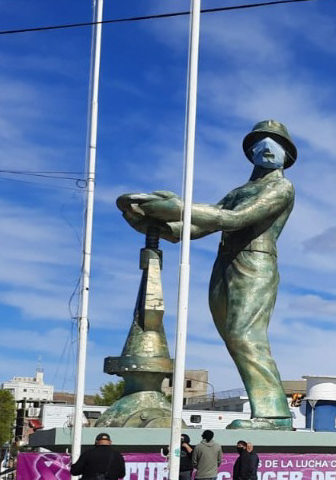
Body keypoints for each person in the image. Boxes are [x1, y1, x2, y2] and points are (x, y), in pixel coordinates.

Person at [118, 120, 298, 430]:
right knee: (233, 338)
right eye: (261, 141)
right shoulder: (239, 191)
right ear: (250, 151)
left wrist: (179, 207)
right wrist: (155, 223)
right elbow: (198, 227)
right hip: (225, 264)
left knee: (245, 336)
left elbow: (235, 219)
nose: (268, 147)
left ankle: (274, 416)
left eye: (277, 143)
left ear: (288, 154)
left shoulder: (281, 187)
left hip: (255, 263)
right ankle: (269, 411)